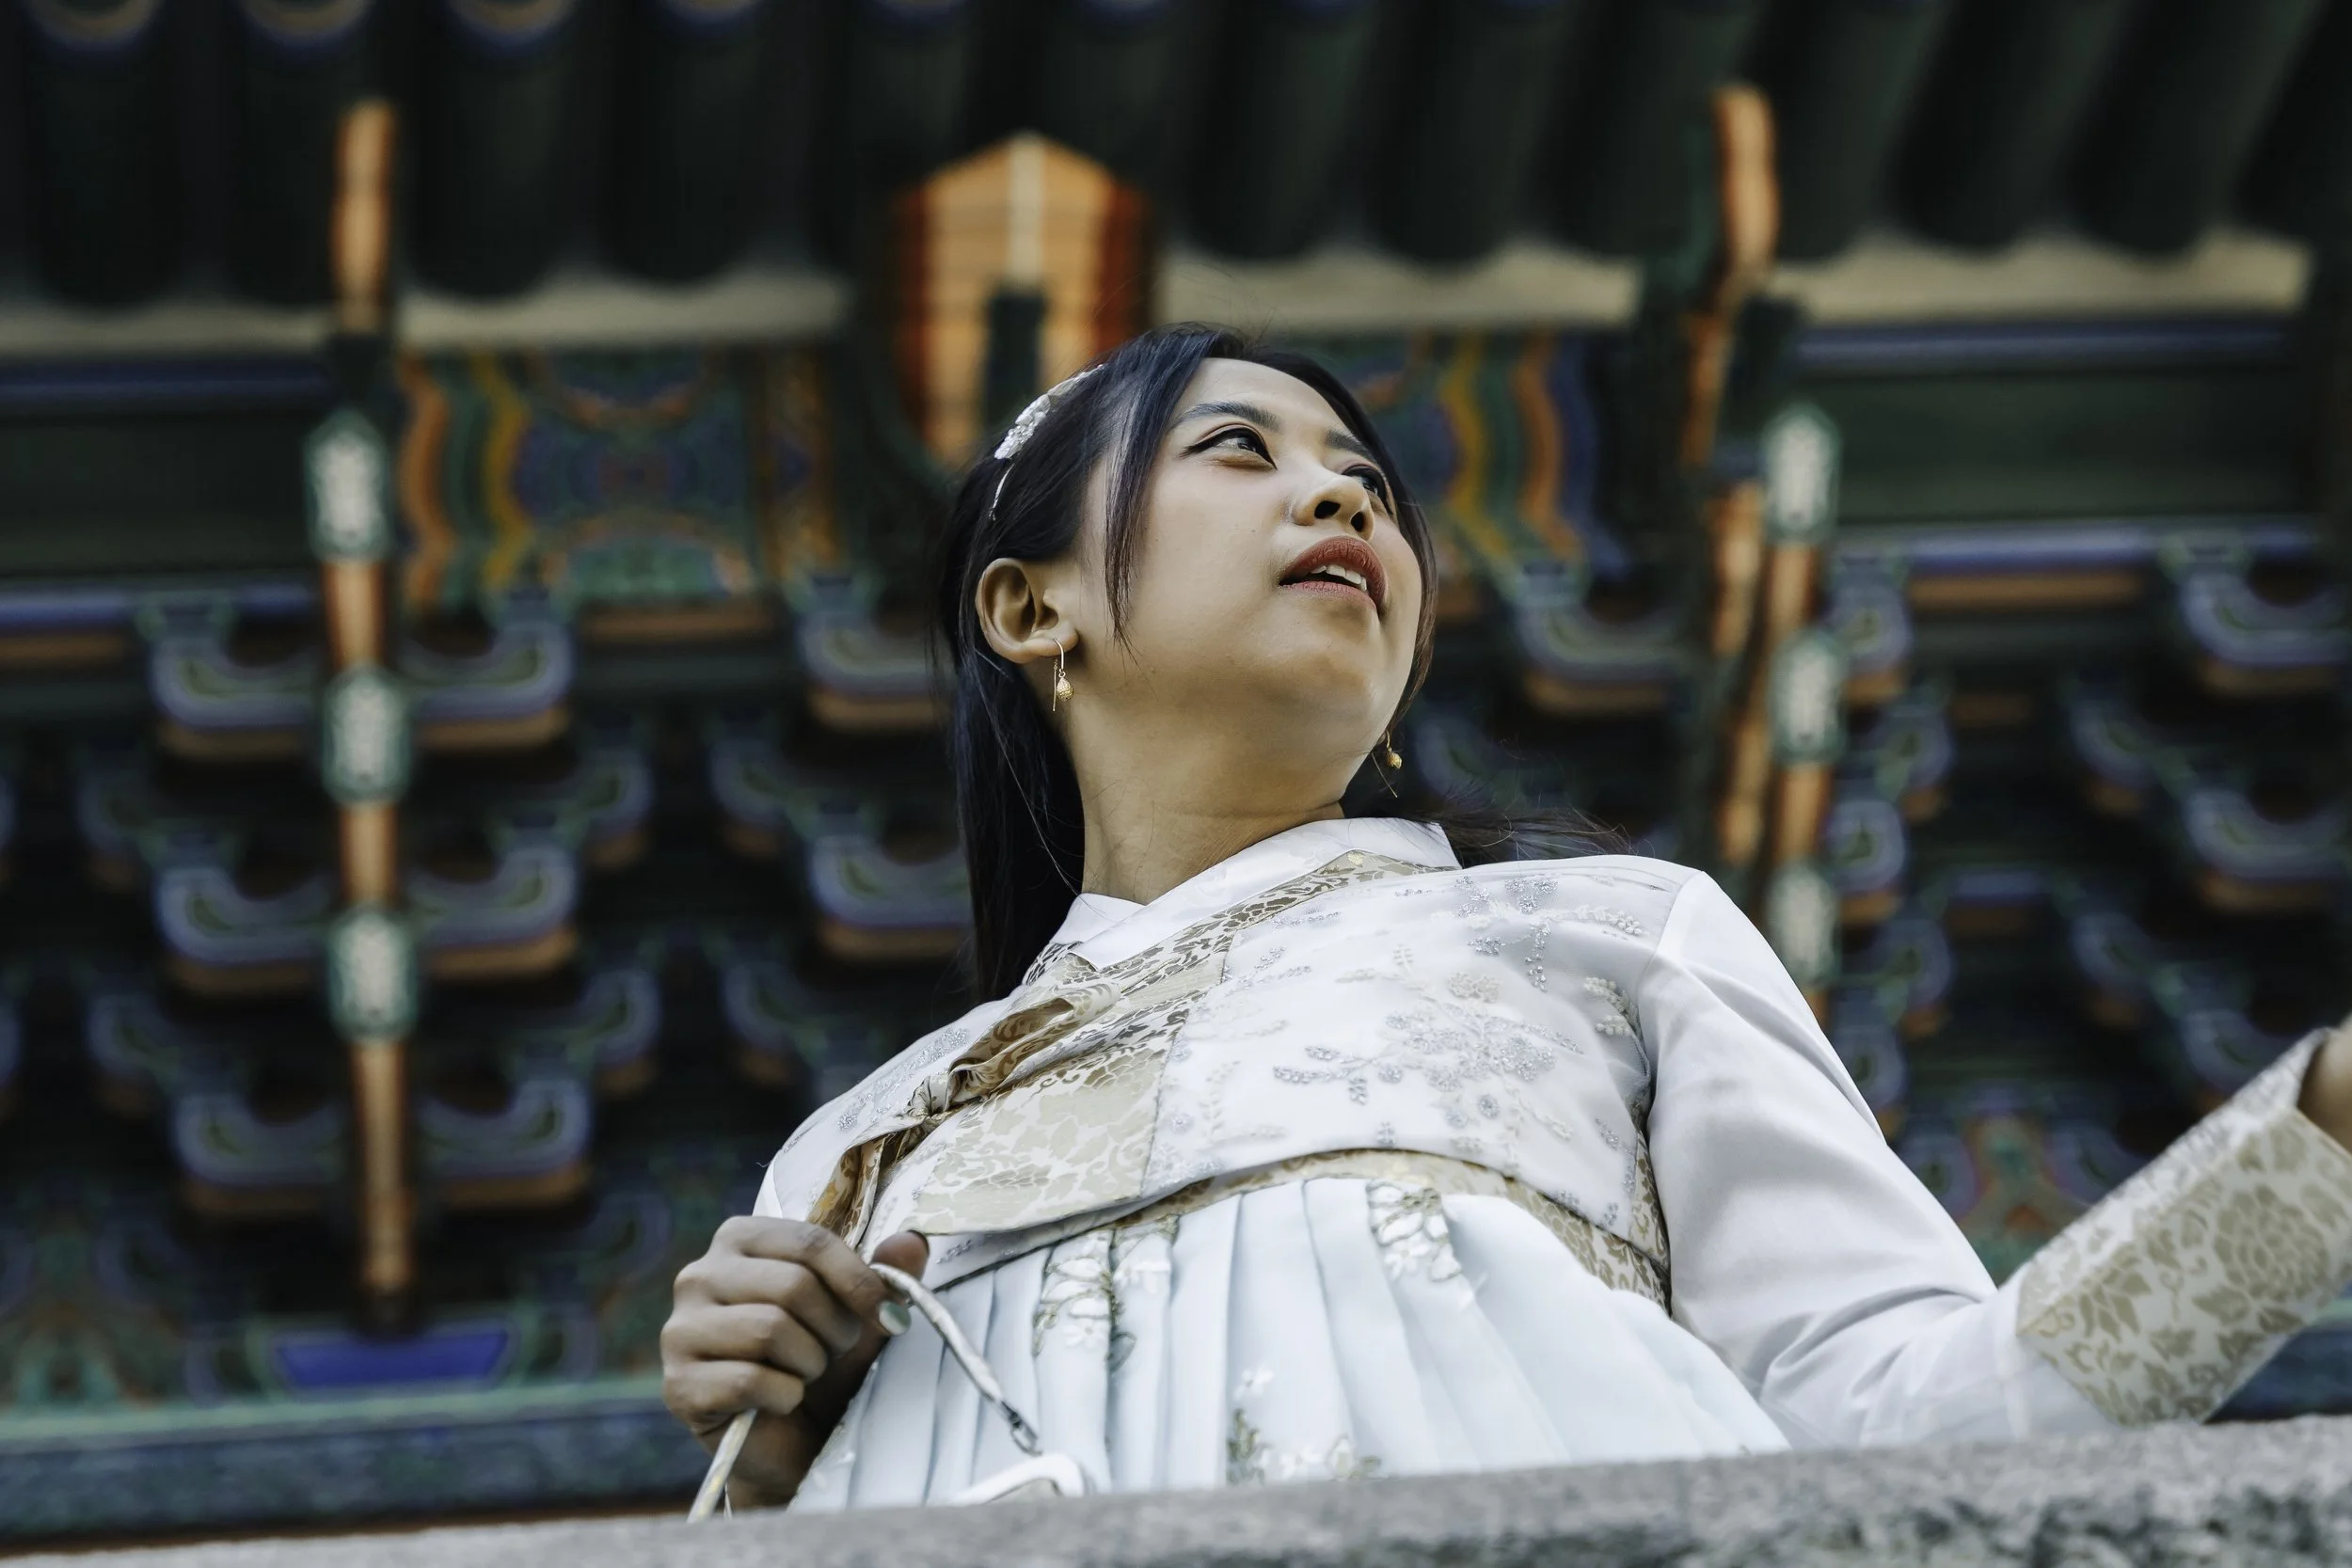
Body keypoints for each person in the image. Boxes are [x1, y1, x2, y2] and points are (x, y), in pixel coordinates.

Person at [660, 325, 2352, 1510]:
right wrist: (795, 1447)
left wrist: (2308, 1158)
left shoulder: (1610, 939)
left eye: (1370, 488)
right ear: (1030, 609)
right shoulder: (864, 1143)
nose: (1341, 504)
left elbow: (1901, 1446)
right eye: (1240, 451)